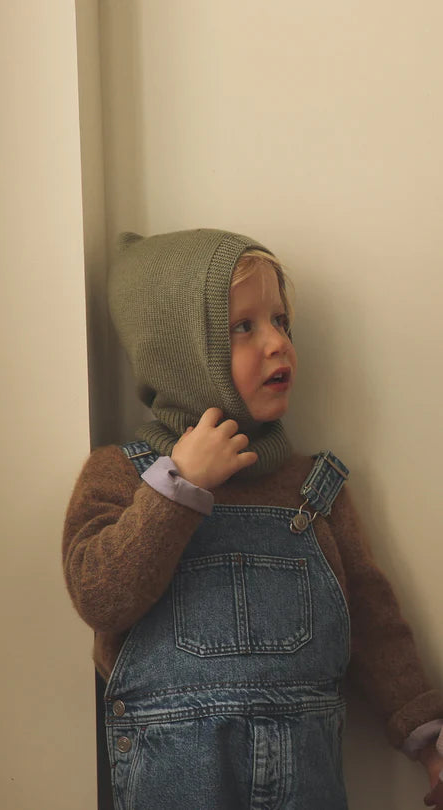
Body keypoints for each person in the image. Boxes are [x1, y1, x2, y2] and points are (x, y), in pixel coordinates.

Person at [62, 228, 443, 809]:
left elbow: (371, 619)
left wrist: (426, 733)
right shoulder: (121, 476)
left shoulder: (312, 488)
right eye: (243, 327)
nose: (277, 343)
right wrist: (179, 486)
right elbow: (99, 596)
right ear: (181, 354)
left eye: (281, 321)